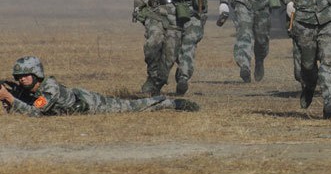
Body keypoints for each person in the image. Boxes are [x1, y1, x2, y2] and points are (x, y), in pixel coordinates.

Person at [1, 56, 199, 116]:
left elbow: (36, 113)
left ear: (37, 74)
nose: (21, 80)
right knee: (129, 103)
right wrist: (12, 97)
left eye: (25, 76)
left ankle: (169, 103)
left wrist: (10, 98)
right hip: (82, 100)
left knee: (134, 107)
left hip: (94, 105)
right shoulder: (32, 89)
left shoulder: (49, 88)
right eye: (18, 77)